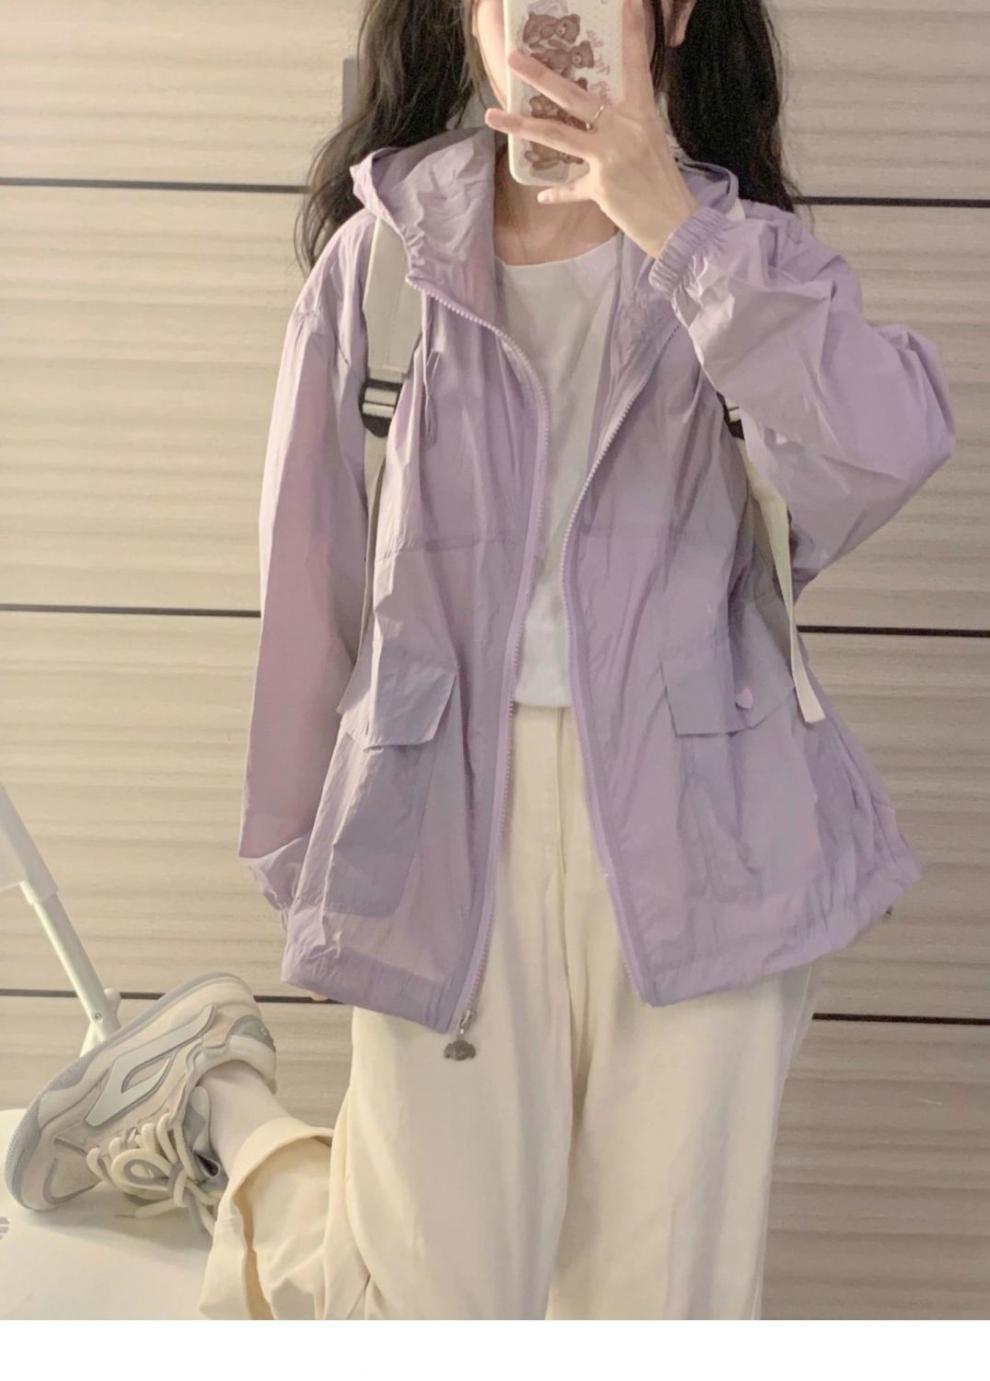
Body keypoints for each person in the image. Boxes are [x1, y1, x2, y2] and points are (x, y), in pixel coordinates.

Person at [6, 0, 954, 1319]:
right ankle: (225, 1113)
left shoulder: (744, 261)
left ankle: (226, 1122)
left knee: (661, 1314)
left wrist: (673, 225)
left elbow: (887, 446)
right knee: (421, 1312)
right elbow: (311, 582)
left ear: (670, 15)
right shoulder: (381, 264)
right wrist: (305, 858)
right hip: (444, 826)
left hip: (710, 834)